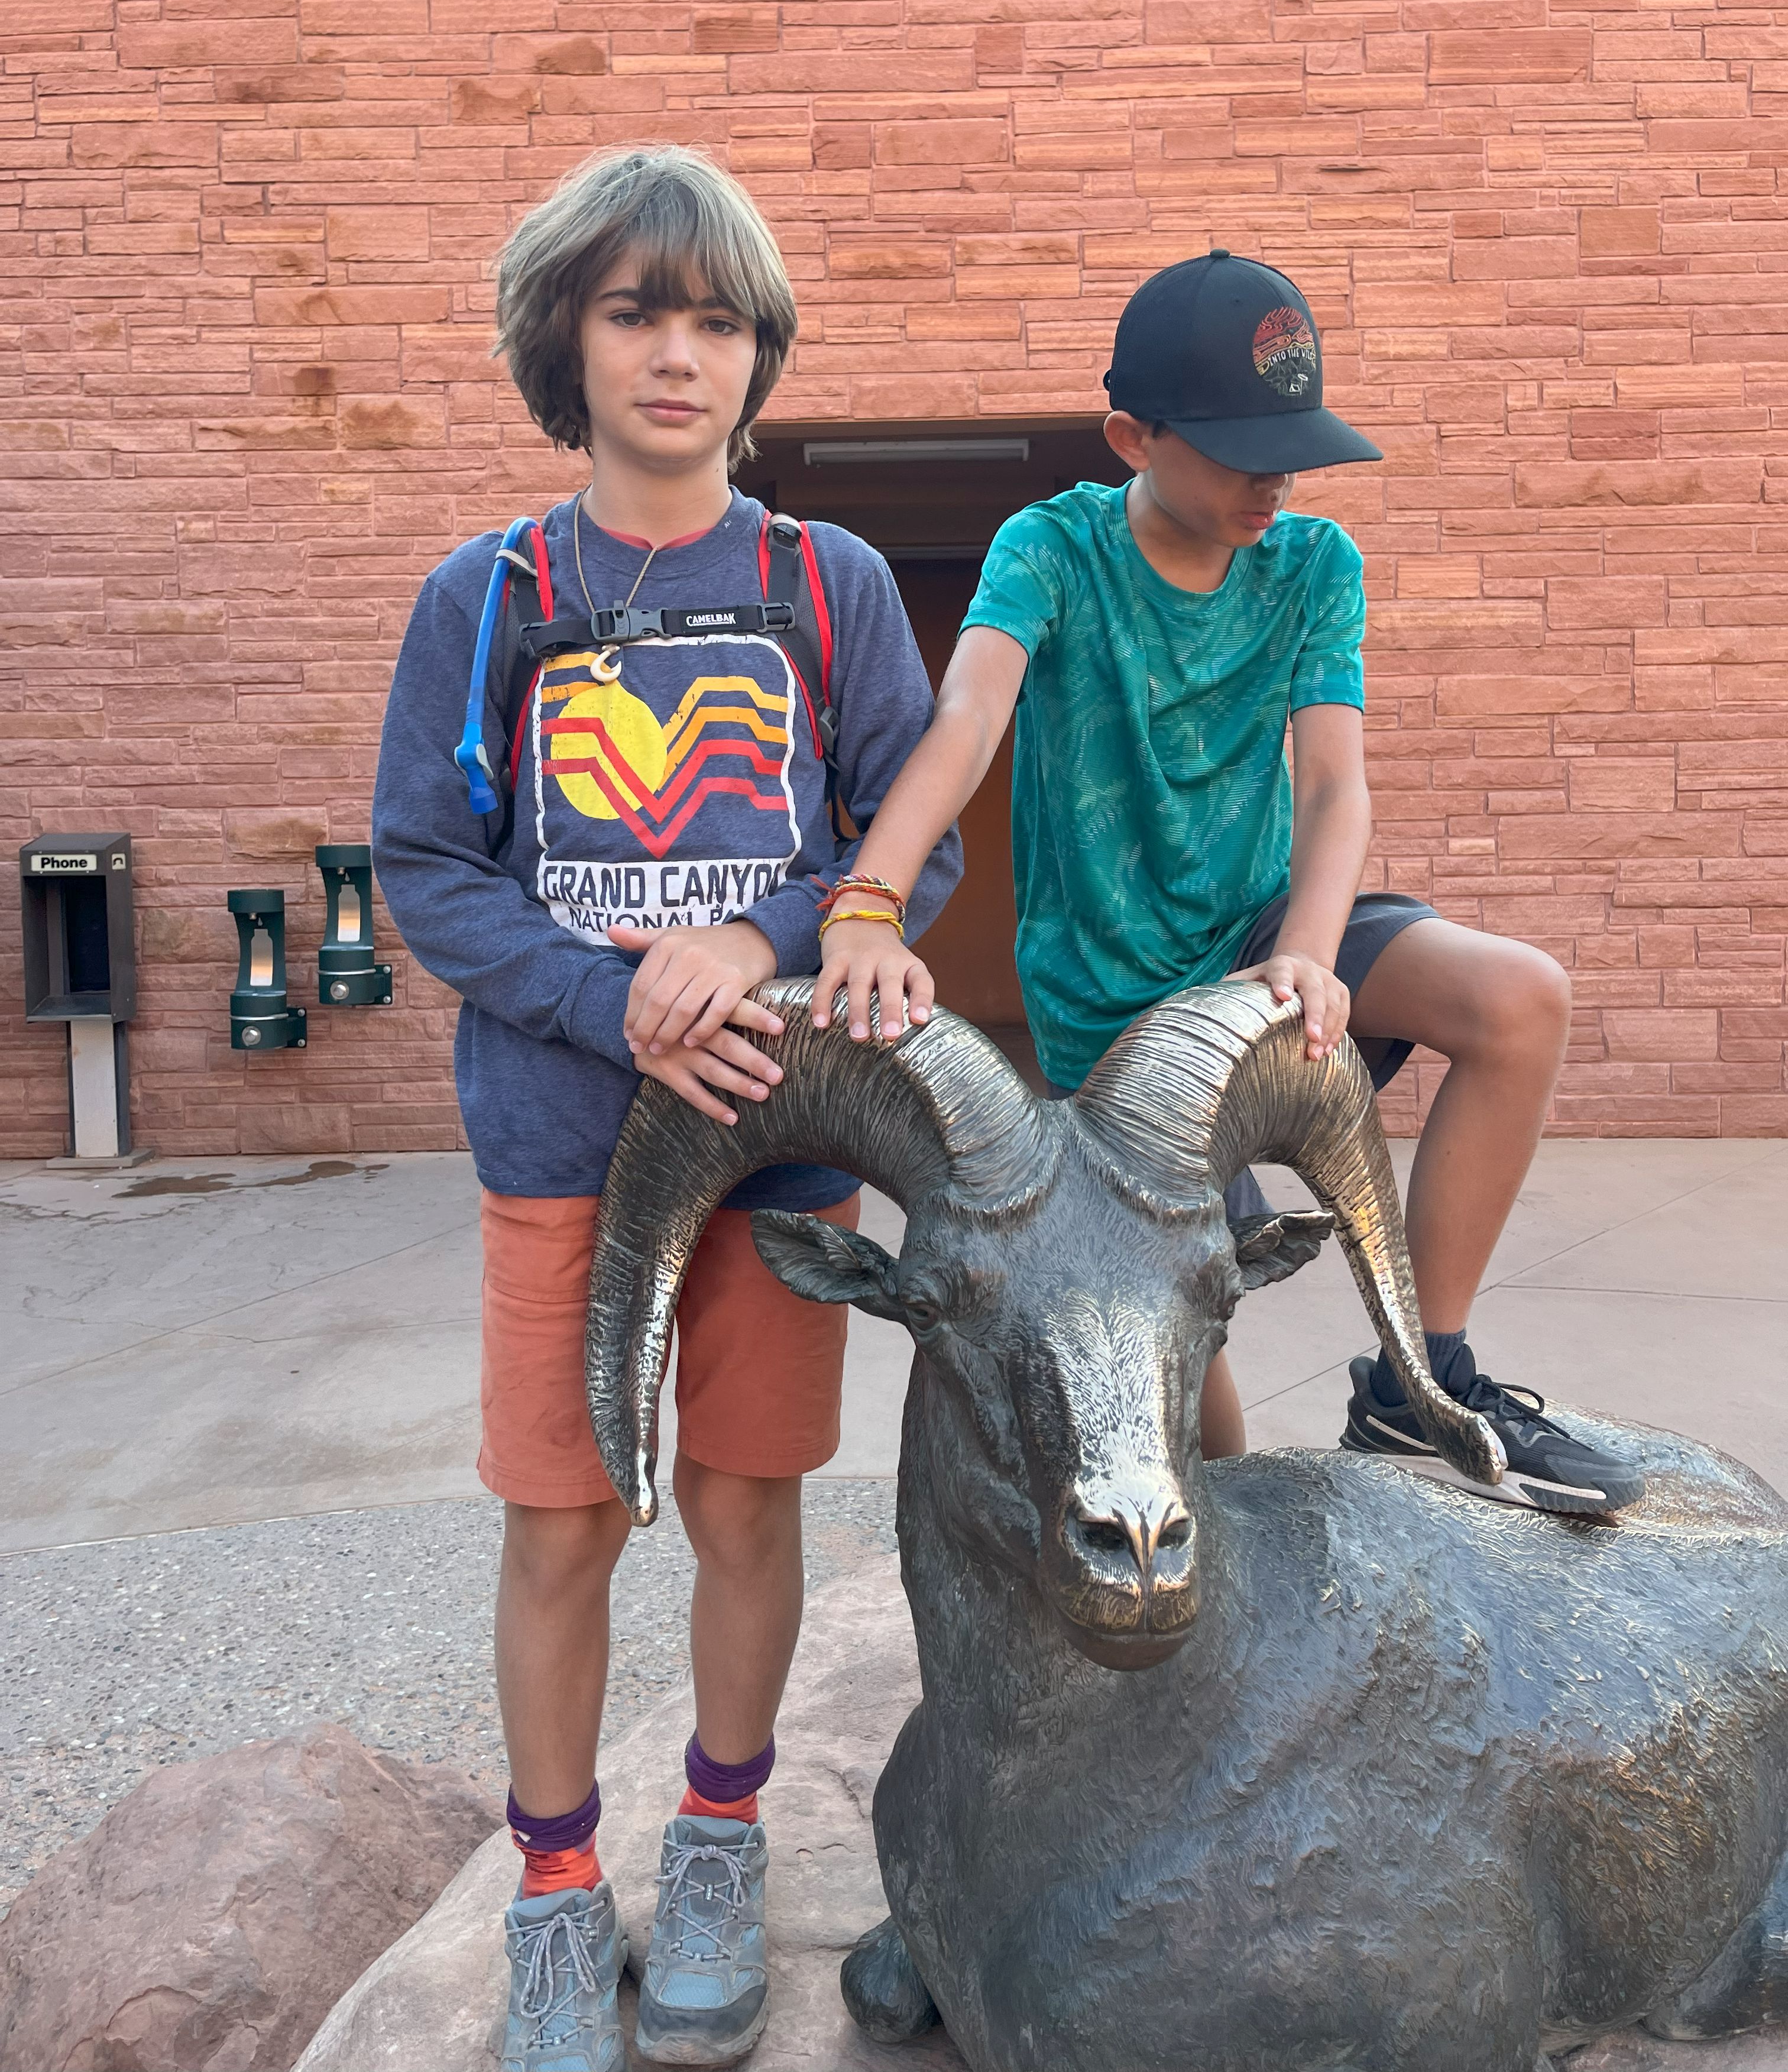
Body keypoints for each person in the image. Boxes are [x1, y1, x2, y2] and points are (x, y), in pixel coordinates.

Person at [743, 248, 1643, 1522]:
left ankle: (1417, 1376)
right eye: (1238, 448)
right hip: (1111, 999)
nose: (1274, 476)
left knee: (1521, 1000)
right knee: (1192, 1368)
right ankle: (1221, 1538)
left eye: (1291, 445)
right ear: (1132, 437)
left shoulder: (1313, 561)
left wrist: (1313, 955)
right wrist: (866, 902)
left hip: (1267, 930)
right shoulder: (1049, 550)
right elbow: (967, 717)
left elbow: (1334, 788)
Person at [371, 145, 960, 2072]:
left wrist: (758, 927)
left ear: (757, 353)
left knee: (744, 1501)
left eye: (717, 318)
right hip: (562, 1154)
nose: (679, 351)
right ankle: (556, 1889)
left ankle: (715, 1841)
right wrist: (614, 996)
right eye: (638, 311)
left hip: (782, 1149)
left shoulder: (824, 582)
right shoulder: (489, 595)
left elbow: (899, 844)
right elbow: (427, 867)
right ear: (566, 334)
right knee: (562, 1526)